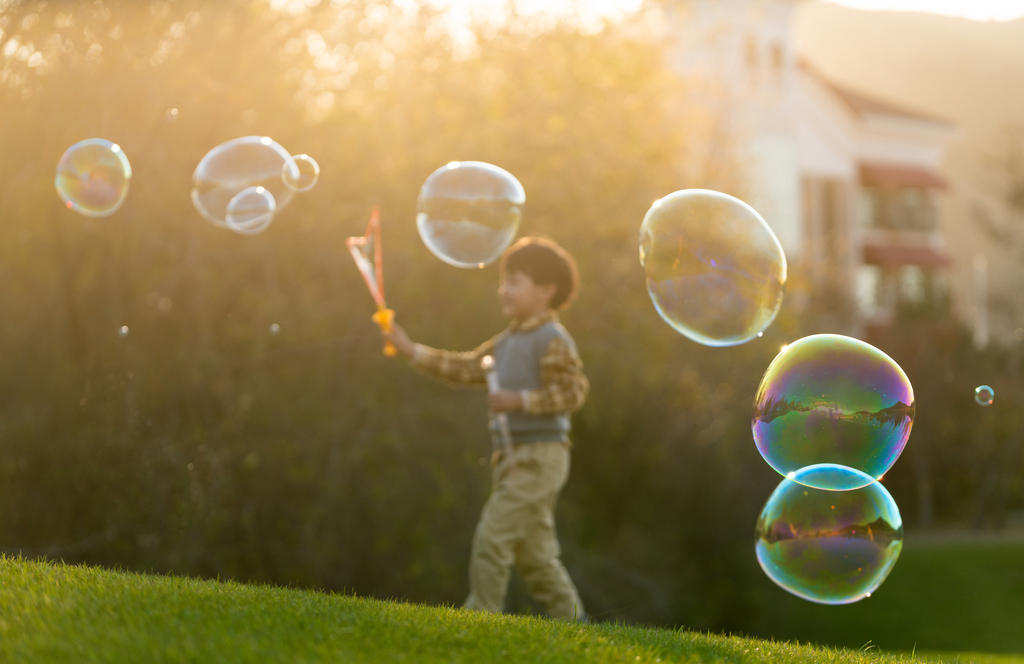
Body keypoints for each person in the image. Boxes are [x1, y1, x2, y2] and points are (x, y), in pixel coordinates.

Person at [383, 237, 589, 622]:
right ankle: (574, 623)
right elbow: (464, 368)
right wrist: (411, 350)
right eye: (503, 280)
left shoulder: (552, 339)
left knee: (492, 535)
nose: (503, 289)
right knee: (535, 556)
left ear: (546, 291)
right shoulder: (507, 341)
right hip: (512, 458)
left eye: (515, 281)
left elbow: (573, 390)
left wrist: (520, 400)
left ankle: (482, 617)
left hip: (541, 456)